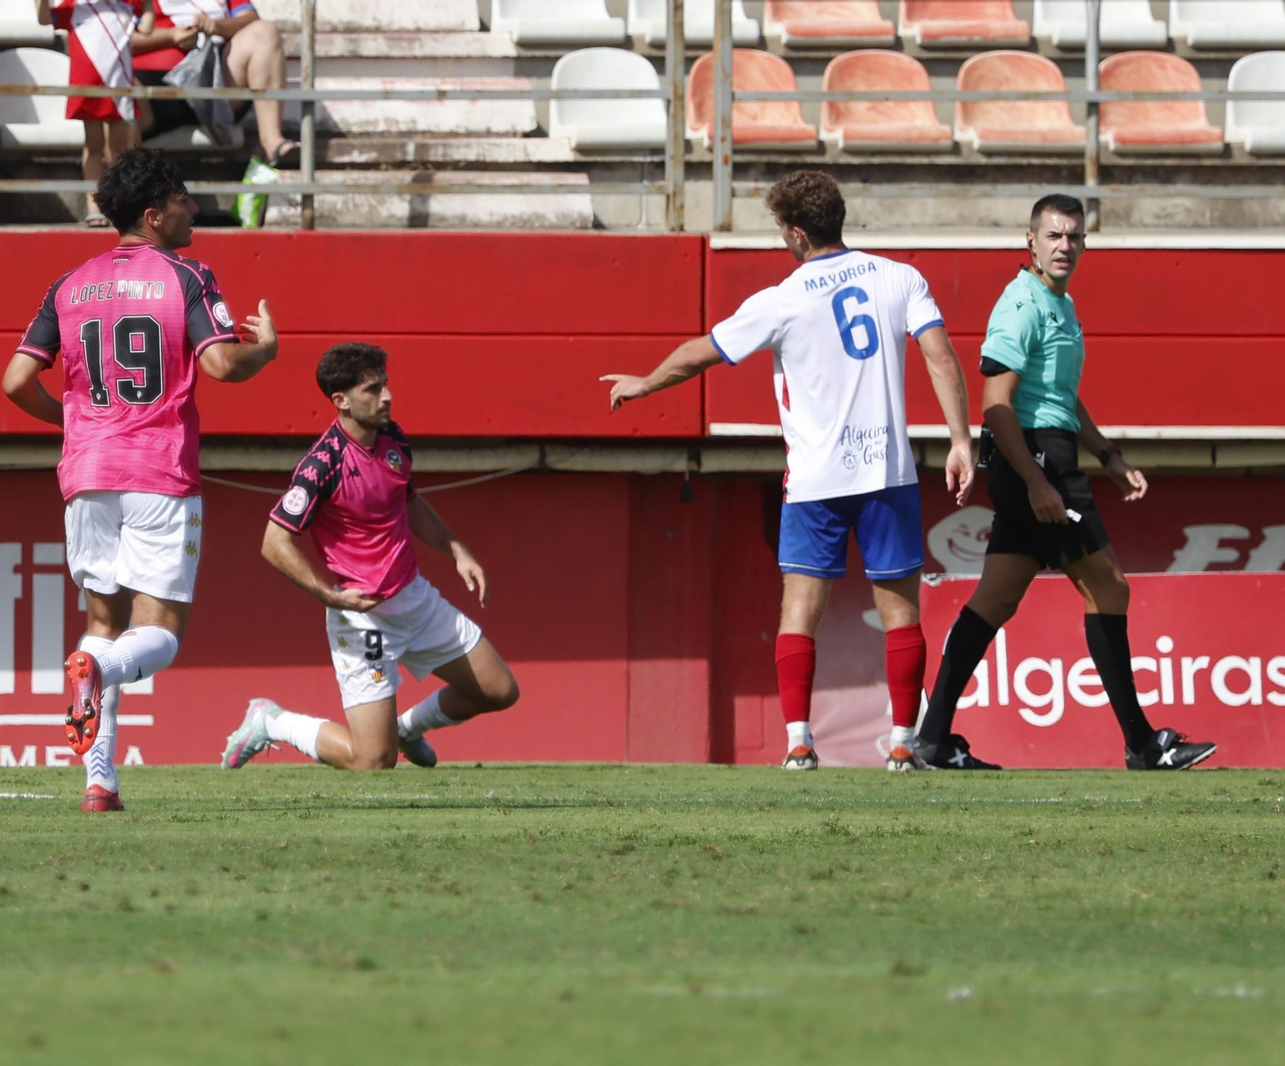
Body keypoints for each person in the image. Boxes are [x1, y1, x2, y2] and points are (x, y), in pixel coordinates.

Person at [600, 170, 976, 773]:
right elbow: (939, 355)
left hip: (816, 482)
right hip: (888, 473)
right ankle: (903, 745)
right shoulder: (899, 277)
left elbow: (702, 352)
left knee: (800, 610)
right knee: (900, 613)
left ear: (797, 232)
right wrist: (960, 438)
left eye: (780, 228)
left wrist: (644, 383)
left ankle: (799, 743)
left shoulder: (783, 298)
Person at [0, 150, 279, 810]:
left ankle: (100, 782)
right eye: (182, 199)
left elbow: (15, 382)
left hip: (88, 470)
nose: (193, 209)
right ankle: (96, 673)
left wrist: (74, 423)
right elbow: (219, 366)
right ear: (152, 216)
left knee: (103, 618)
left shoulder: (69, 284)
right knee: (158, 634)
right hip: (158, 469)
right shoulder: (188, 275)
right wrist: (264, 352)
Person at [914, 194, 1217, 772]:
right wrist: (1035, 481)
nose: (1065, 247)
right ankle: (1141, 744)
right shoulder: (1021, 305)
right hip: (1035, 461)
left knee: (995, 600)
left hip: (1044, 458)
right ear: (1030, 241)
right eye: (1054, 236)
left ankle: (931, 739)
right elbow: (997, 408)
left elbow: (1057, 395)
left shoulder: (1062, 304)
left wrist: (1106, 453)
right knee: (1110, 588)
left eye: (1075, 237)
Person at [220, 343, 520, 773]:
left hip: (414, 598)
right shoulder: (320, 465)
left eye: (386, 385)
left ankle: (406, 729)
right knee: (372, 763)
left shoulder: (393, 437)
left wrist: (456, 549)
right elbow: (274, 543)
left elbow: (408, 498)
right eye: (373, 389)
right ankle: (274, 721)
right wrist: (330, 597)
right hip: (361, 615)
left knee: (499, 690)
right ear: (341, 401)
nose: (387, 397)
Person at [132, 1, 297, 168]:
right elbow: (116, 37)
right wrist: (170, 37)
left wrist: (218, 26)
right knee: (118, 91)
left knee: (264, 32)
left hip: (217, 80)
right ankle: (124, 182)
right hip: (150, 85)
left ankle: (272, 143)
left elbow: (249, 18)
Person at [37, 0, 155, 226]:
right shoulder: (76, 5)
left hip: (119, 84)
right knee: (94, 144)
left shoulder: (127, 4)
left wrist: (148, 4)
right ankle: (94, 204)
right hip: (88, 85)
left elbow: (147, 28)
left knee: (119, 150)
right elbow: (44, 19)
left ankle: (119, 204)